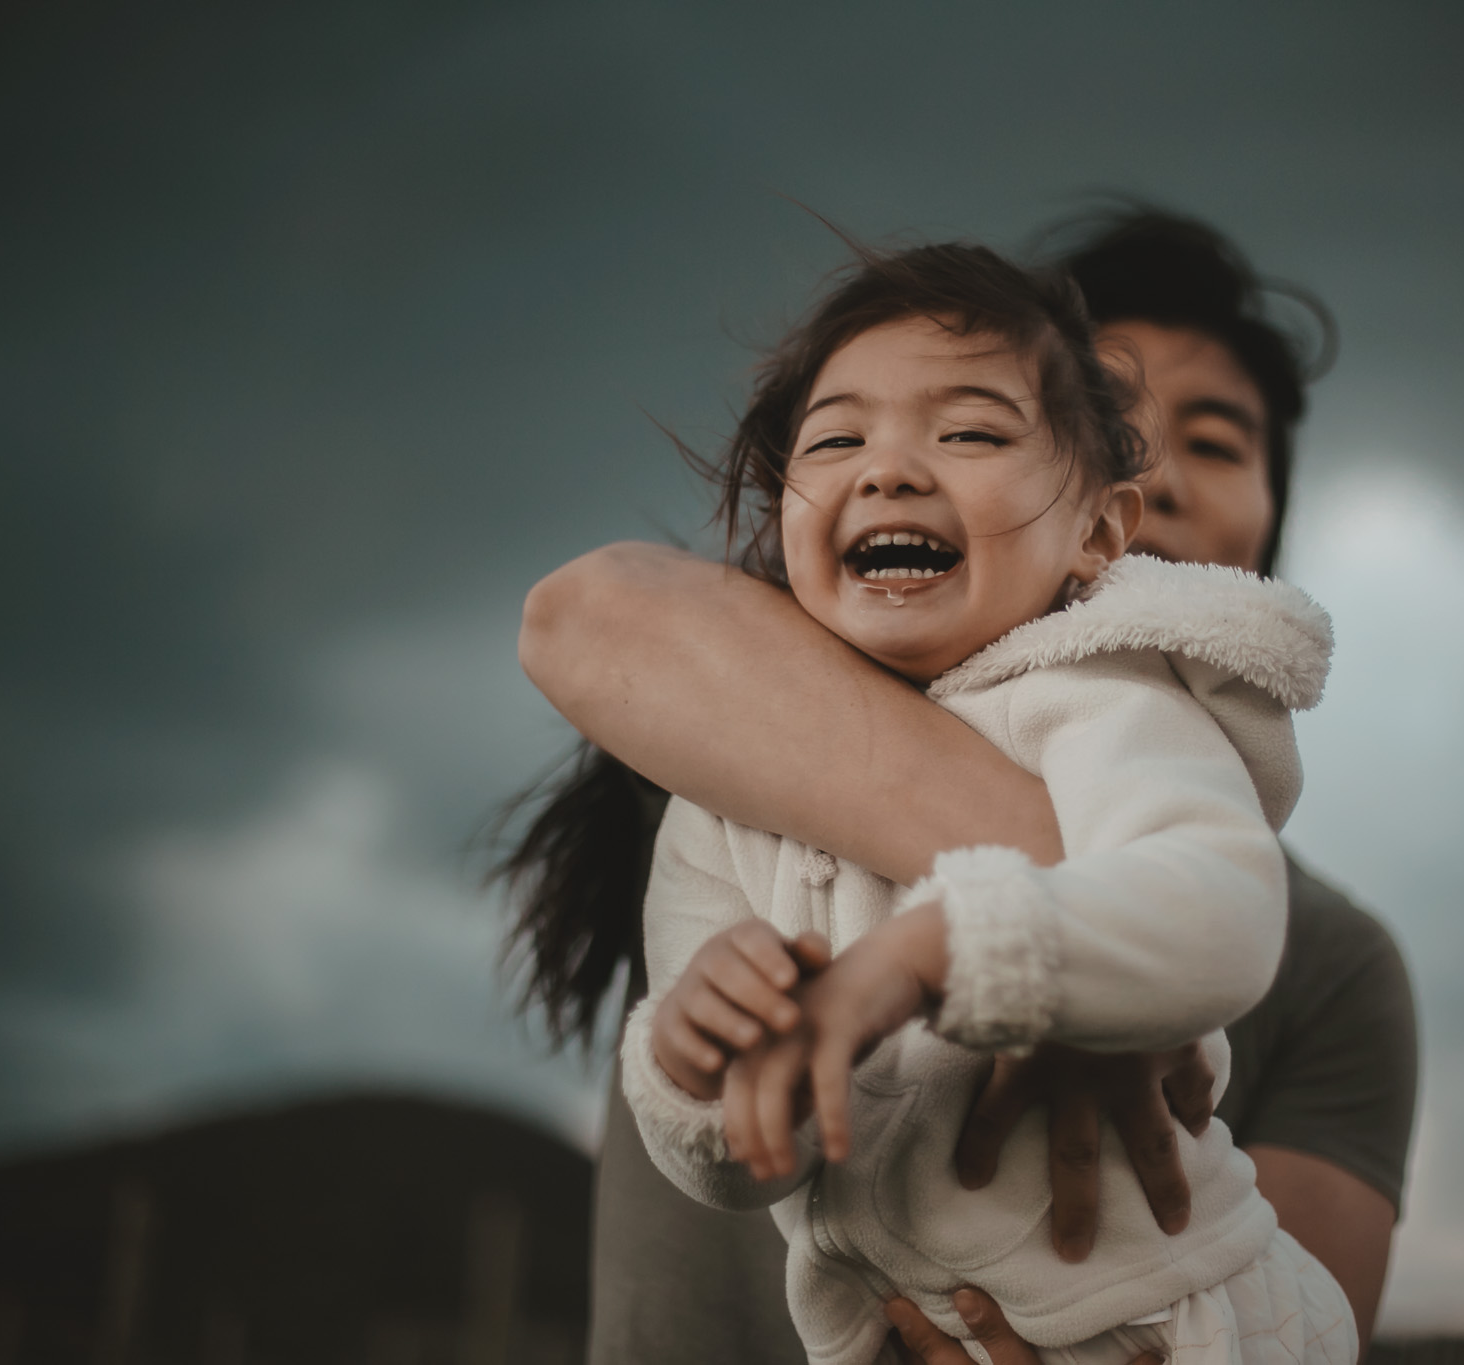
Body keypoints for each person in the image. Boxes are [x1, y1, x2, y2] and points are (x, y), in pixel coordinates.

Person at [507, 210, 1418, 1362]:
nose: (891, 465)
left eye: (1217, 442)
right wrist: (692, 1058)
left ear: (1099, 524)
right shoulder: (723, 758)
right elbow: (725, 1157)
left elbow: (1216, 910)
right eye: (837, 440)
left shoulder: (1114, 719)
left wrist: (986, 949)